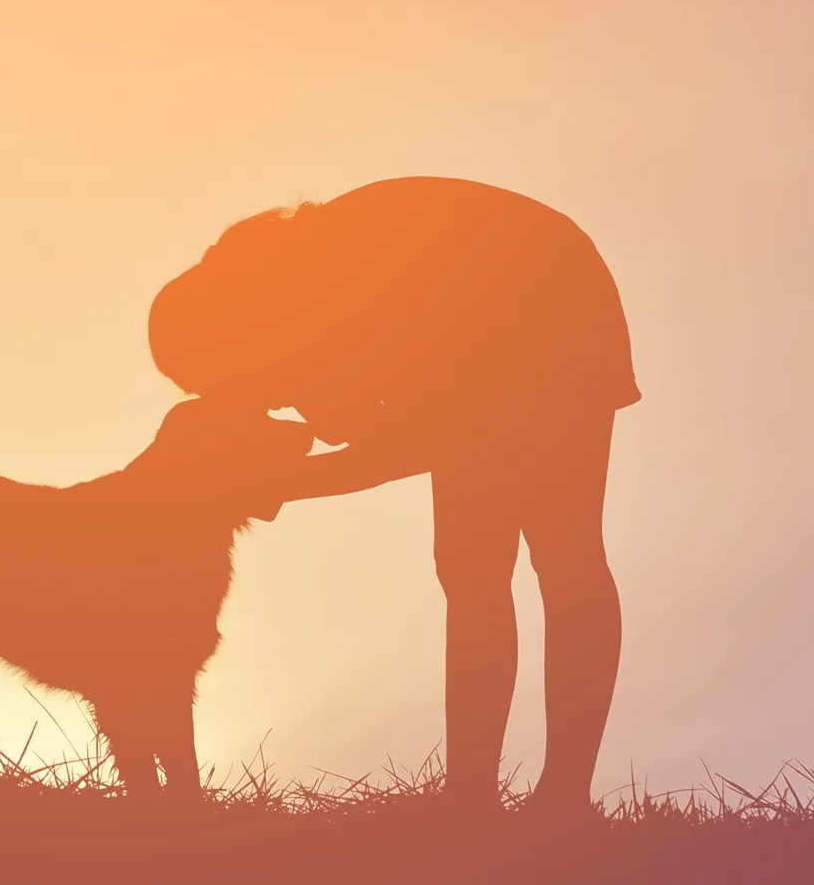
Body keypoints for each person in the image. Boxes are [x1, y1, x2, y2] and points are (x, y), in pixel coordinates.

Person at [148, 176, 639, 813]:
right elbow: (397, 427)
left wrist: (288, 483)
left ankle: (552, 797)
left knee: (559, 556)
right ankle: (478, 797)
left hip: (547, 303)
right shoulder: (301, 293)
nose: (259, 401)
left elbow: (416, 443)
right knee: (476, 564)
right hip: (525, 295)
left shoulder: (333, 287)